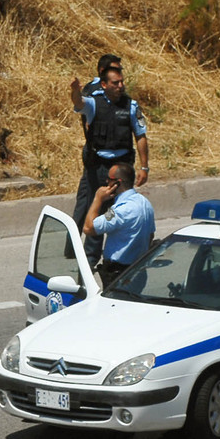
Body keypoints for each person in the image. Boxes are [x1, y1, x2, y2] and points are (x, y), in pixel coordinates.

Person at [70, 64, 149, 265]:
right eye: (115, 83)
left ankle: (124, 256)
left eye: (122, 82)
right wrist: (75, 91)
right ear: (104, 84)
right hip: (100, 167)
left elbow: (140, 135)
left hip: (122, 166)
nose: (120, 86)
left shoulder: (131, 106)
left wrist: (144, 166)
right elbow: (79, 103)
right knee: (96, 209)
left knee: (123, 209)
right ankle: (90, 259)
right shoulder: (94, 103)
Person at [82, 165, 155, 287]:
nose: (106, 182)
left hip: (119, 275)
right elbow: (150, 235)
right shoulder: (145, 203)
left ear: (117, 182)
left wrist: (98, 199)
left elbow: (89, 228)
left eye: (109, 179)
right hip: (138, 270)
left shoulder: (120, 211)